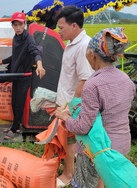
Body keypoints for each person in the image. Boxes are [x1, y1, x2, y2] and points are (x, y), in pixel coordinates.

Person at [55, 27, 134, 188]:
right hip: (121, 144)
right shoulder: (126, 79)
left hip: (97, 148)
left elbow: (83, 127)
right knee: (105, 180)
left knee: (85, 184)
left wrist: (65, 117)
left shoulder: (93, 84)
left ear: (93, 54)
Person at [53, 5, 94, 187]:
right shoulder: (72, 43)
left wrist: (69, 107)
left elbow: (84, 80)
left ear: (74, 26)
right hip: (65, 101)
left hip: (73, 105)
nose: (58, 31)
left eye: (61, 27)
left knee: (70, 140)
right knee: (68, 139)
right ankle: (68, 168)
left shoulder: (84, 46)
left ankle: (69, 174)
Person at [0, 12, 45, 140]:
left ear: (25, 24)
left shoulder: (29, 39)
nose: (18, 27)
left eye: (20, 24)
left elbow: (35, 52)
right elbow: (16, 56)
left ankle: (15, 129)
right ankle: (15, 125)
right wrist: (3, 61)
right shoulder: (15, 38)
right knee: (13, 102)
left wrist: (39, 65)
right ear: (12, 25)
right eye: (15, 24)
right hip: (15, 74)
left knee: (18, 103)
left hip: (24, 76)